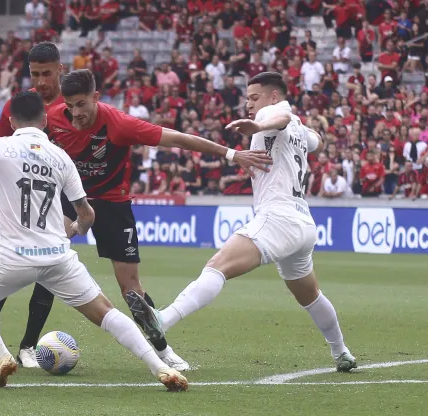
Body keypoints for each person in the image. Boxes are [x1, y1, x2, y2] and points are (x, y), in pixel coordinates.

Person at [0, 68, 271, 371]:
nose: (75, 113)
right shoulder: (53, 118)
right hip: (70, 199)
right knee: (49, 259)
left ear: (96, 98)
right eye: (70, 105)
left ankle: (163, 351)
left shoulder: (117, 123)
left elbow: (178, 139)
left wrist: (231, 155)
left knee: (130, 288)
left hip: (113, 204)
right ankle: (19, 343)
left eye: (82, 105)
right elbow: (15, 131)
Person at [0, 91, 188, 391]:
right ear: (45, 121)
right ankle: (160, 366)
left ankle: (1, 354)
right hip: (57, 257)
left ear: (11, 120)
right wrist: (77, 227)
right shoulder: (61, 157)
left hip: (12, 257)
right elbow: (87, 214)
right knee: (107, 313)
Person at [127, 72, 358, 373]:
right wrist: (290, 127)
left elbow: (280, 118)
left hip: (278, 216)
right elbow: (316, 140)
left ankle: (164, 319)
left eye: (254, 97)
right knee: (310, 295)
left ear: (274, 96)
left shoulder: (272, 114)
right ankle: (341, 352)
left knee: (217, 265)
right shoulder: (299, 125)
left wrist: (260, 124)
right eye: (247, 99)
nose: (249, 104)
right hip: (302, 222)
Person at [0, 42, 68, 369]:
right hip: (21, 195)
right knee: (11, 262)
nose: (40, 81)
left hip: (59, 195)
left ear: (59, 69)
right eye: (35, 74)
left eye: (47, 73)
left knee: (50, 266)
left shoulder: (72, 105)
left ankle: (28, 346)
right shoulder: (20, 105)